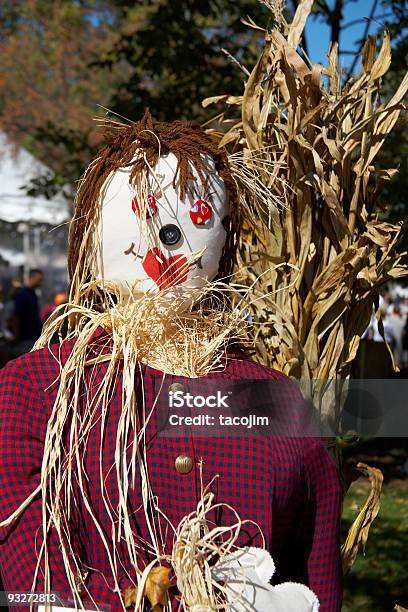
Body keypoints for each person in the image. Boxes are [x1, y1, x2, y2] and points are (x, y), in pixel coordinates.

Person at [0, 113, 342, 611]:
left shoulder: (273, 397)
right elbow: (28, 585)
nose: (164, 250)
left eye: (187, 224)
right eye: (142, 222)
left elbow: (316, 574)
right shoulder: (38, 389)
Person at [11, 268, 43, 353]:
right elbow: (17, 315)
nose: (40, 283)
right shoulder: (22, 294)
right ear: (31, 278)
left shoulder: (33, 294)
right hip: (25, 337)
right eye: (39, 280)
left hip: (33, 335)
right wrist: (16, 334)